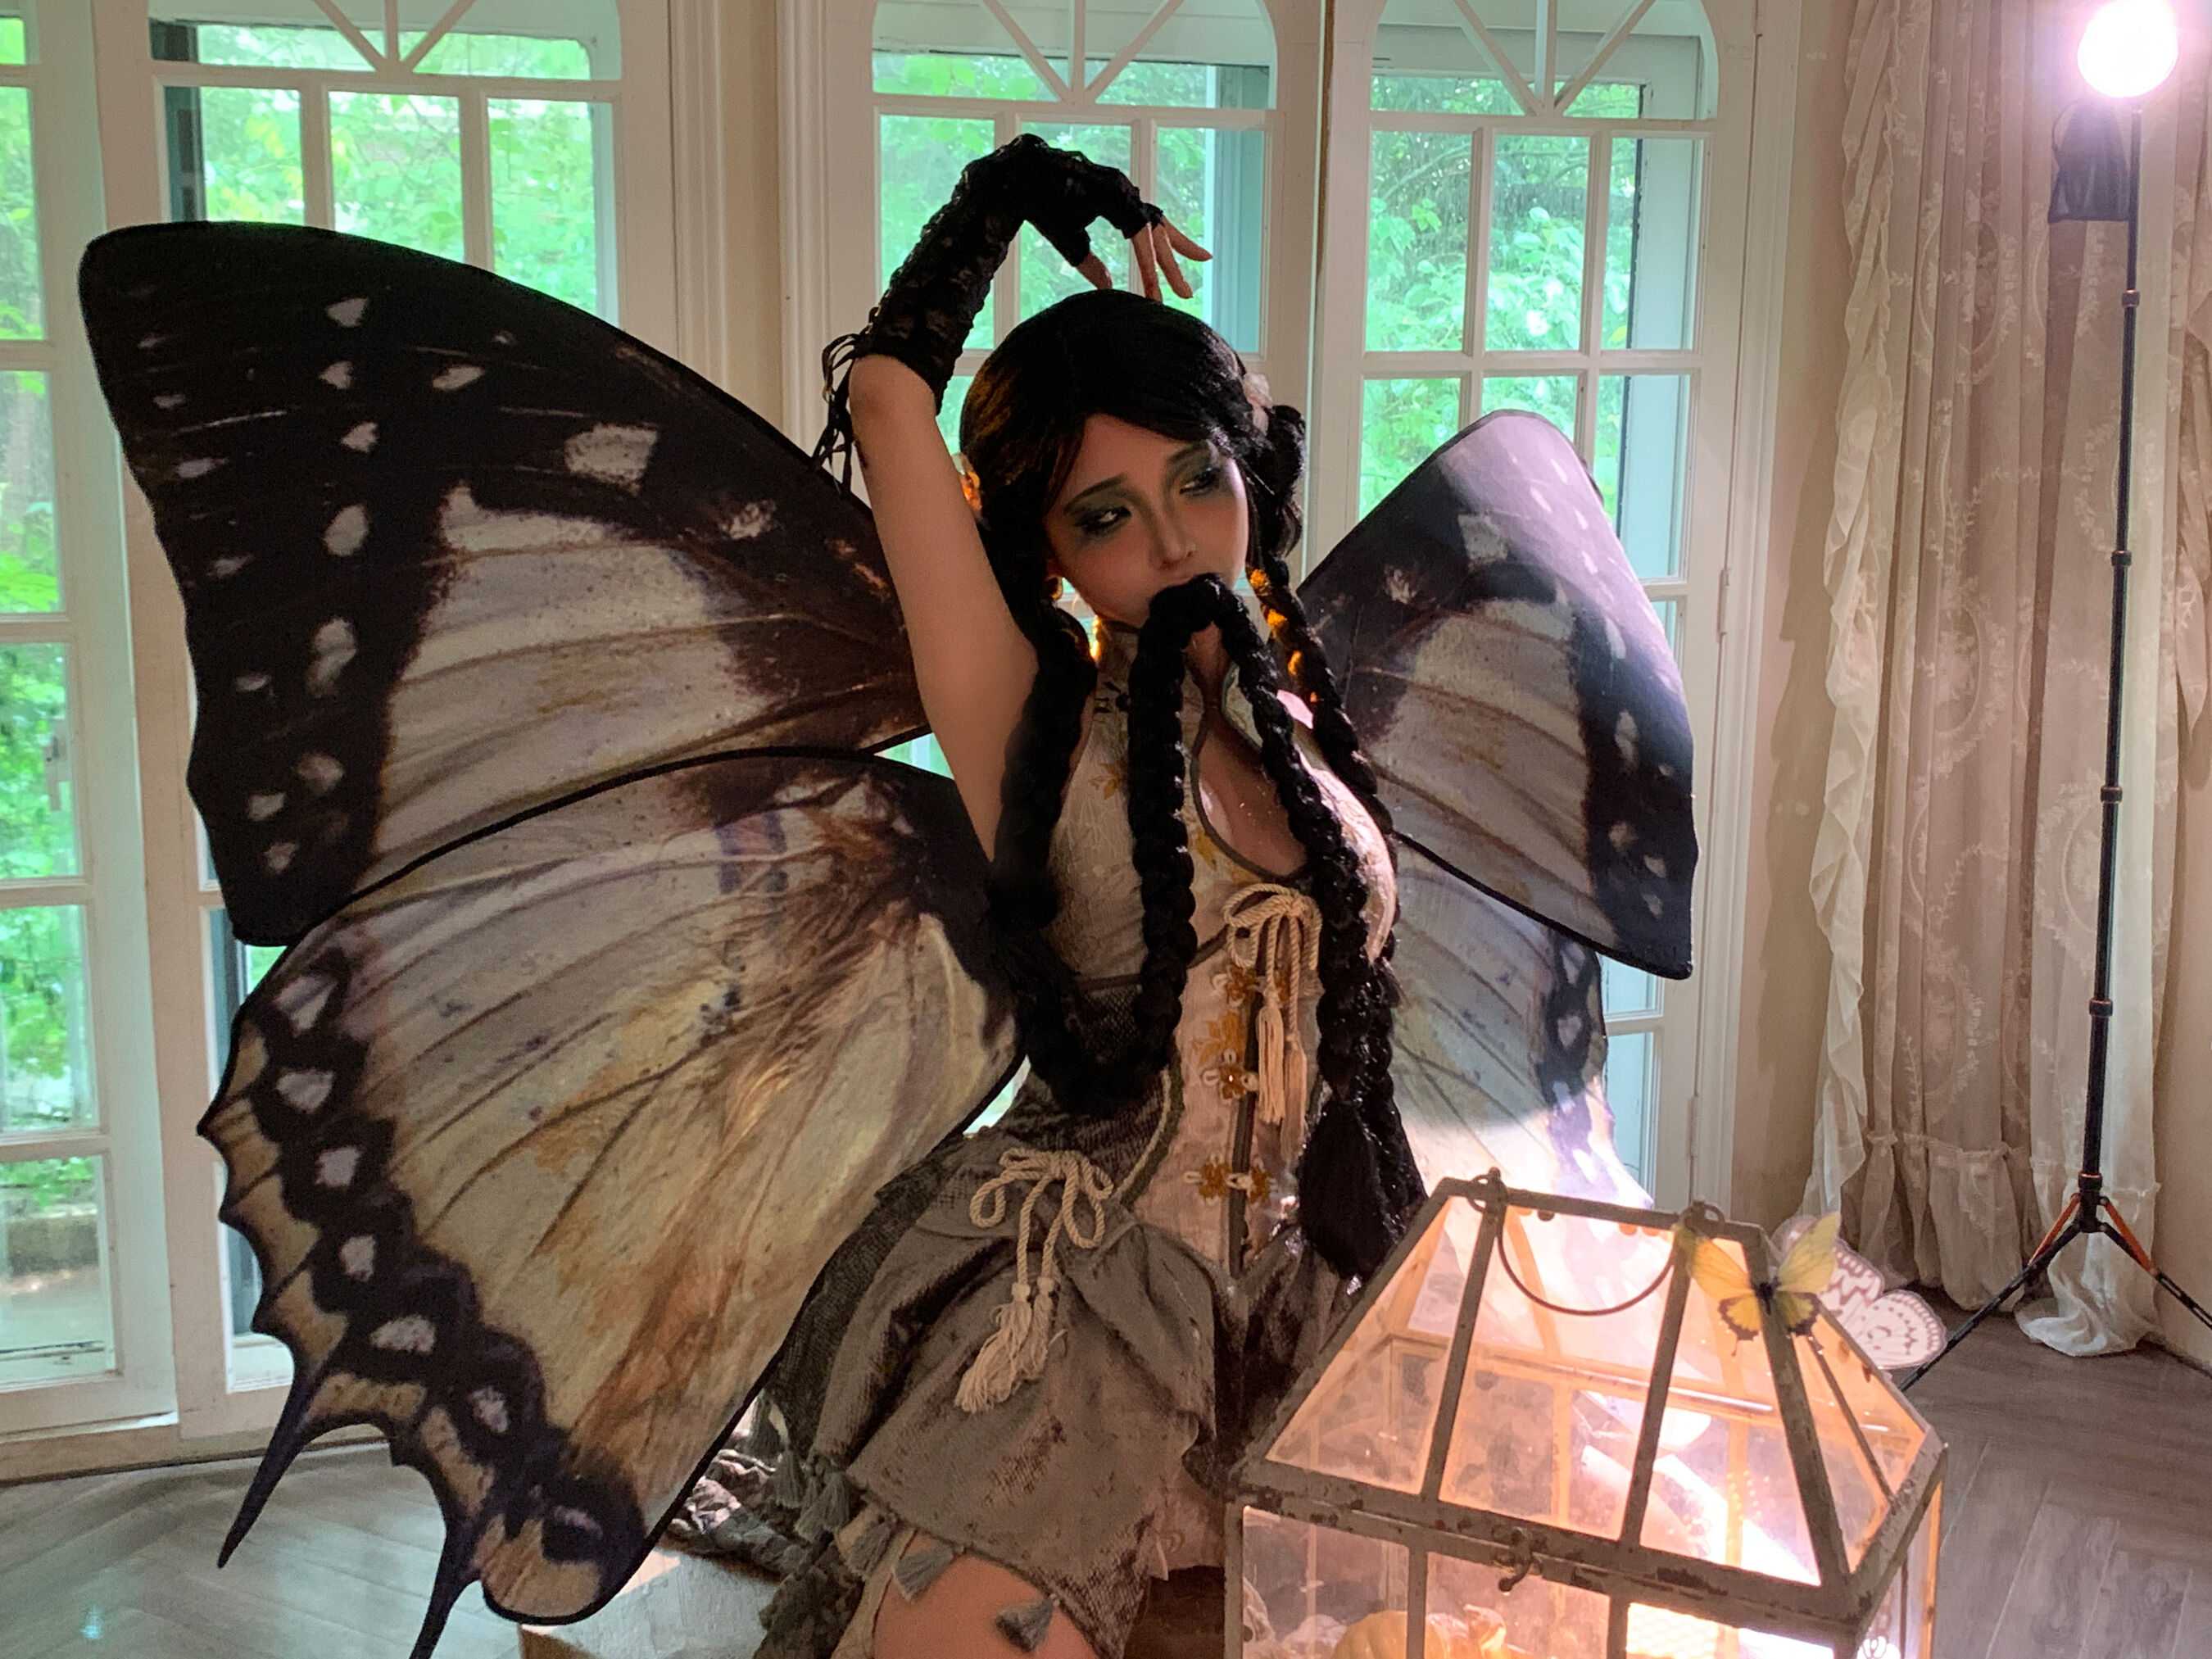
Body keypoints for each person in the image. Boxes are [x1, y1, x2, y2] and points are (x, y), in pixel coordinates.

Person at [717, 135, 1424, 1659]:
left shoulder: (1298, 719)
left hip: (1307, 1294)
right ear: (1042, 543)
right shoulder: (1024, 717)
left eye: (1197, 480)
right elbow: (886, 400)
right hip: (1082, 1295)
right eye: (1104, 513)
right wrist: (1015, 194)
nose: (1170, 538)